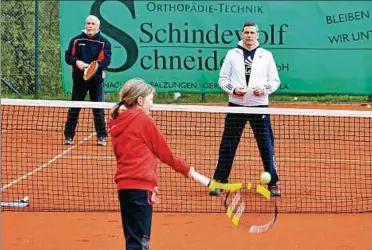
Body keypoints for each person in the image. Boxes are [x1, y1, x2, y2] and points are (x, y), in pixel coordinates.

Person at [108, 78, 197, 250]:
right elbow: (165, 153)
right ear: (140, 101)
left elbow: (133, 156)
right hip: (140, 191)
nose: (152, 104)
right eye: (150, 100)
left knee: (133, 239)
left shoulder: (118, 123)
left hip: (125, 190)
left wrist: (151, 183)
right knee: (139, 243)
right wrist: (187, 170)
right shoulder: (143, 120)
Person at [209, 21, 281, 197]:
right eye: (246, 32)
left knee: (266, 146)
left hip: (260, 107)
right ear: (242, 34)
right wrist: (233, 89)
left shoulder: (266, 55)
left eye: (252, 32)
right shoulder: (232, 54)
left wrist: (264, 89)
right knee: (228, 145)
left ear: (258, 35)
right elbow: (223, 79)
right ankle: (219, 181)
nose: (249, 35)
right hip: (236, 107)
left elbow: (275, 81)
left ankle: (273, 183)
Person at [64, 15, 111, 146]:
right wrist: (77, 62)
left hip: (96, 81)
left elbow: (105, 61)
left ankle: (101, 136)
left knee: (98, 109)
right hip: (79, 80)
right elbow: (68, 56)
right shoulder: (76, 41)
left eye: (93, 24)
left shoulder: (104, 43)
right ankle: (69, 136)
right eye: (88, 23)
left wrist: (93, 67)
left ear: (98, 26)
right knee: (74, 108)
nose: (90, 26)